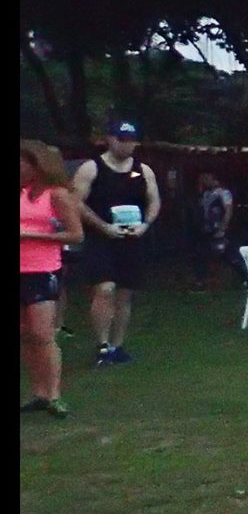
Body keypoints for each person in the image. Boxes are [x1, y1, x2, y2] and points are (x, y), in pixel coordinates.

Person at [72, 120, 160, 367]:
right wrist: (102, 226)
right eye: (121, 140)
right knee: (105, 289)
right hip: (101, 238)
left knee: (124, 293)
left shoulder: (142, 171)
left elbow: (154, 200)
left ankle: (117, 345)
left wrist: (145, 224)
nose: (126, 145)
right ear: (110, 139)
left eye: (131, 140)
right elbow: (76, 201)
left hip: (131, 238)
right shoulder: (92, 168)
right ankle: (102, 344)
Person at [20, 140, 83, 417]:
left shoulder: (56, 195)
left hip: (42, 269)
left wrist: (32, 236)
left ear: (36, 165)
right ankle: (38, 392)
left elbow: (75, 235)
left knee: (42, 333)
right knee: (25, 334)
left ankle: (54, 394)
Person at [192, 170, 235, 292]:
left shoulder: (223, 193)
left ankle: (243, 277)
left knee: (224, 254)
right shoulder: (206, 194)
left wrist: (223, 228)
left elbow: (228, 210)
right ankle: (201, 281)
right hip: (206, 228)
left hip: (217, 228)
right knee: (201, 254)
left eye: (205, 178)